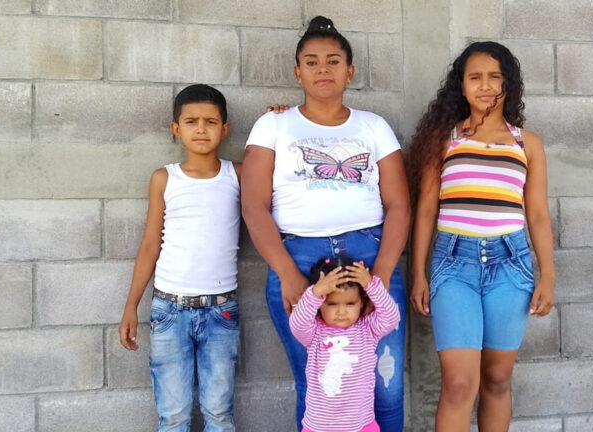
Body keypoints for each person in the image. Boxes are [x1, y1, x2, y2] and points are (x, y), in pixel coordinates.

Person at [241, 15, 410, 432]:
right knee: (319, 383)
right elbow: (254, 206)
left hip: (368, 256)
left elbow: (399, 205)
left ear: (349, 71)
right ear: (297, 72)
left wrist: (382, 273)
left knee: (385, 384)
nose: (323, 69)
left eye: (333, 61)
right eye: (311, 62)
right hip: (299, 258)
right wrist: (287, 274)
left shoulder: (373, 126)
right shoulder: (273, 124)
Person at [406, 41, 556, 432]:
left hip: (511, 266)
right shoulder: (446, 139)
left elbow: (537, 214)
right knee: (459, 384)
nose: (485, 86)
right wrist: (419, 274)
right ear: (462, 85)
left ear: (509, 84)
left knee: (497, 379)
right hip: (454, 266)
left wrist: (548, 276)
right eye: (475, 78)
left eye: (495, 77)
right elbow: (427, 210)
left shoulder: (527, 144)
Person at [118, 84, 241, 432]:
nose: (201, 129)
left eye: (210, 122)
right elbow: (149, 246)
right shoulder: (164, 178)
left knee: (219, 414)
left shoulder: (237, 174)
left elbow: (278, 162)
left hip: (222, 311)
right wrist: (131, 306)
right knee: (173, 417)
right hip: (169, 311)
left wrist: (277, 118)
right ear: (176, 128)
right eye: (191, 121)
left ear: (225, 129)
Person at [289, 257, 401, 432]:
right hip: (320, 427)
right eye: (332, 304)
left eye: (350, 303)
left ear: (362, 302)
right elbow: (297, 324)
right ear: (320, 305)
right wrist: (315, 294)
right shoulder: (314, 333)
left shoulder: (368, 329)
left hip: (361, 425)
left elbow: (392, 317)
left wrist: (371, 285)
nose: (341, 311)